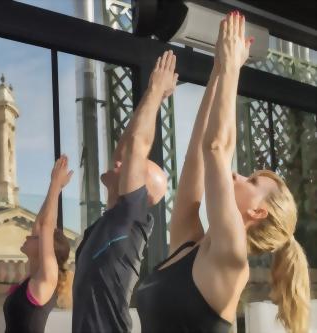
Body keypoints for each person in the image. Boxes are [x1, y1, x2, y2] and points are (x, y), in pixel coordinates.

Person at [136, 11, 311, 333]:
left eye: (252, 181)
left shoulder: (231, 257)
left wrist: (232, 68)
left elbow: (216, 149)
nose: (237, 175)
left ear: (258, 212)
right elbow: (198, 155)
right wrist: (217, 70)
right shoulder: (190, 245)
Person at [72, 50, 177, 333]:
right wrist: (152, 97)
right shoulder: (114, 220)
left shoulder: (131, 219)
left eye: (131, 166)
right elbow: (126, 147)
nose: (118, 161)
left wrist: (156, 88)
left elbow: (136, 146)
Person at [3, 155, 74, 333]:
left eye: (35, 238)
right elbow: (40, 224)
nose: (29, 236)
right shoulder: (34, 276)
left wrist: (55, 184)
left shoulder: (47, 279)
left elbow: (45, 226)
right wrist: (56, 190)